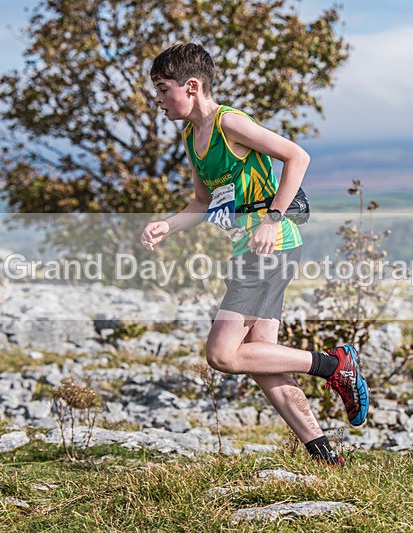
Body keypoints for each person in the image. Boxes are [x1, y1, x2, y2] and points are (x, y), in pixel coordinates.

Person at [140, 43, 369, 465]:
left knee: (222, 354)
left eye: (161, 88)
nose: (156, 100)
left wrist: (273, 217)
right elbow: (202, 200)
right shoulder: (192, 137)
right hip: (248, 247)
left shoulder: (230, 123)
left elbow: (297, 156)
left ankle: (334, 364)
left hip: (270, 245)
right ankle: (326, 456)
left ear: (192, 87)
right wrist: (167, 225)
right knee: (262, 358)